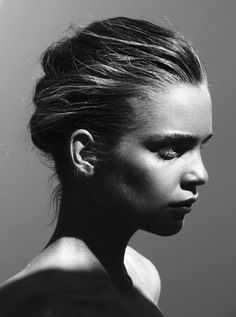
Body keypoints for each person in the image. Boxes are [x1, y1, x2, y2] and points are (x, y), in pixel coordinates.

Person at [0, 16, 212, 316]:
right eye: (170, 150)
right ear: (86, 154)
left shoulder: (142, 276)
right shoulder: (42, 307)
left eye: (200, 147)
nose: (200, 174)